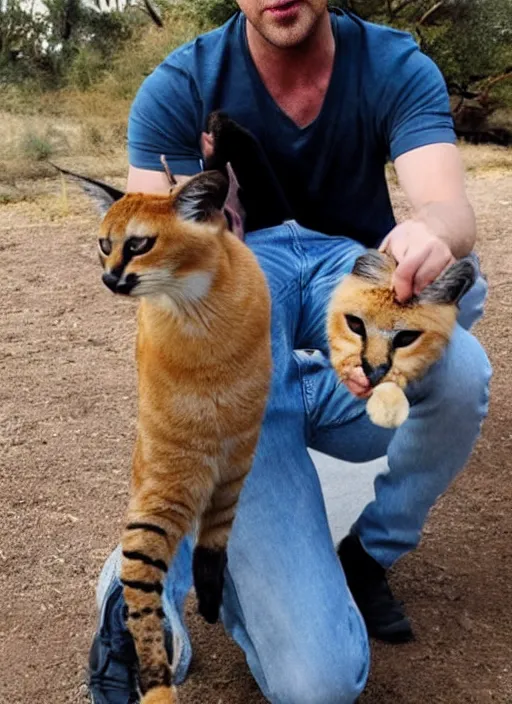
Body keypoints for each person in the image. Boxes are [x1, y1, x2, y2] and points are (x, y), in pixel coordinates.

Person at [88, 2, 491, 702]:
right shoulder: (179, 85)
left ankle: (369, 553)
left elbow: (450, 208)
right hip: (241, 315)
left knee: (459, 351)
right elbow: (153, 277)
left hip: (346, 275)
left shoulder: (392, 62)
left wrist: (430, 232)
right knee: (319, 684)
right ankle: (140, 592)